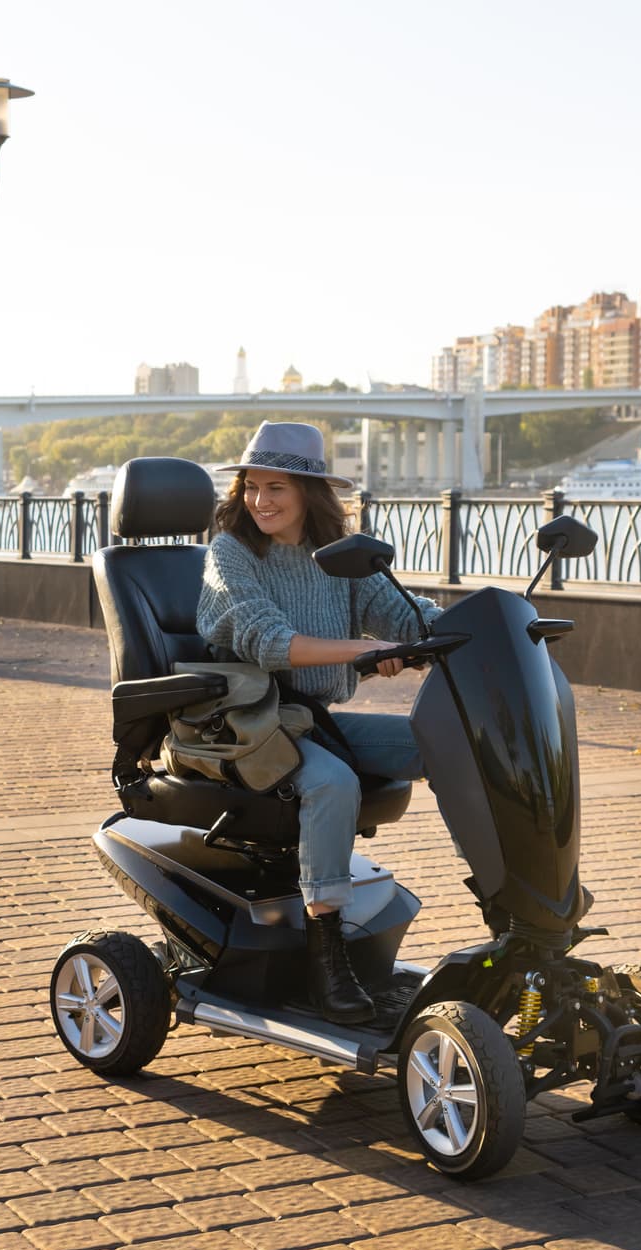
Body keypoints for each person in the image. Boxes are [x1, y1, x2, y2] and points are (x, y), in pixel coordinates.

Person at [195, 420, 442, 1025]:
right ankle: (324, 954)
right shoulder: (229, 552)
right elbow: (268, 641)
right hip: (244, 724)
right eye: (250, 487)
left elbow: (401, 613)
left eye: (274, 488)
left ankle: (506, 895)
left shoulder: (338, 556)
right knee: (332, 782)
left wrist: (486, 621)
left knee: (446, 741)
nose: (258, 501)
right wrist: (363, 652)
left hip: (310, 720)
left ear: (310, 492)